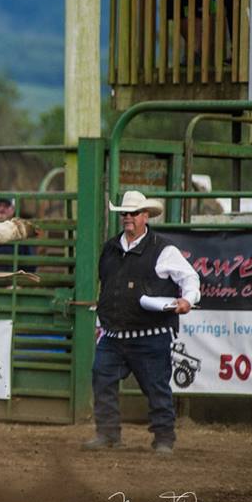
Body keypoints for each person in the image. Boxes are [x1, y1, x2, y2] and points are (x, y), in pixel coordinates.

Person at [82, 191, 200, 456]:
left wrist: (188, 300)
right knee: (102, 378)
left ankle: (163, 439)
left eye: (133, 213)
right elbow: (107, 286)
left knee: (156, 386)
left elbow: (190, 277)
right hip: (114, 333)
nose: (127, 218)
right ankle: (108, 433)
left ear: (145, 216)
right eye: (124, 213)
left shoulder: (163, 249)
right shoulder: (111, 248)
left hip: (150, 333)